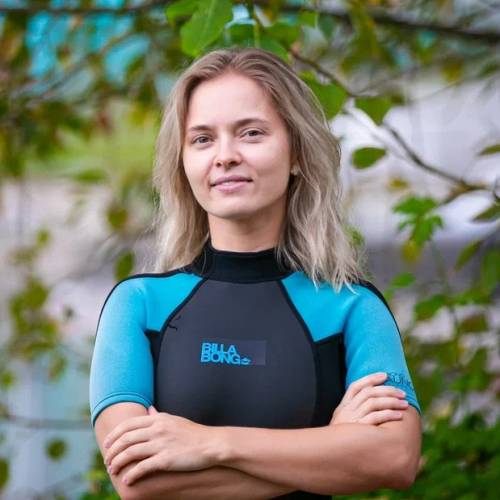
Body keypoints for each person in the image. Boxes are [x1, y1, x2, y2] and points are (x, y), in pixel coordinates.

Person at [89, 46, 422, 500]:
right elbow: (137, 481)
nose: (225, 156)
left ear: (297, 152)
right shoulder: (140, 305)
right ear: (183, 162)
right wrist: (331, 444)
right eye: (202, 139)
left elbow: (395, 459)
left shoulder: (351, 307)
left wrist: (211, 444)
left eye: (251, 133)